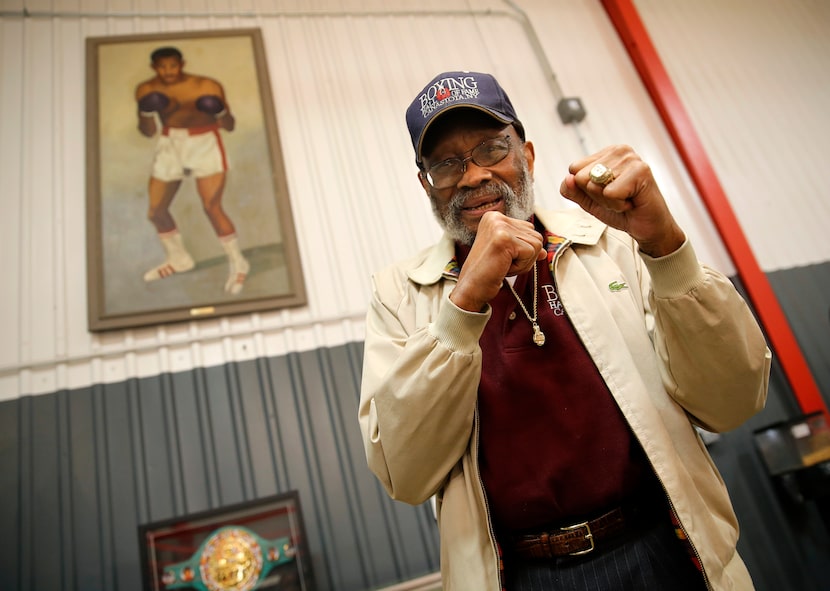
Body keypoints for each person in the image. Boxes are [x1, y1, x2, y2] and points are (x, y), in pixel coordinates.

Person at [358, 71, 771, 590]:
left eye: (491, 148)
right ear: (426, 184)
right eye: (445, 164)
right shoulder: (400, 294)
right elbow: (405, 474)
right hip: (524, 575)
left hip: (665, 546)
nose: (471, 177)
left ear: (527, 155)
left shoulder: (611, 242)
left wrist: (665, 244)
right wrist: (462, 306)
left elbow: (733, 401)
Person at [135, 46, 249, 295]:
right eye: (162, 67)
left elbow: (228, 126)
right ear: (154, 68)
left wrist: (218, 110)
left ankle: (239, 263)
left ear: (182, 64)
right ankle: (179, 259)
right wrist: (146, 110)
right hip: (170, 142)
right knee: (156, 210)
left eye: (172, 66)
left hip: (205, 141)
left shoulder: (206, 86)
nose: (168, 72)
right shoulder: (146, 90)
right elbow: (148, 131)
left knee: (211, 206)